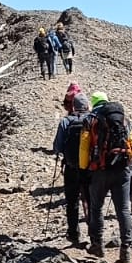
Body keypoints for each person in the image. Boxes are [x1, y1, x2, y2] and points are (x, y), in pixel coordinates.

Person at [79, 90, 132, 263]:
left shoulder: (91, 120)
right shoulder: (123, 119)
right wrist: (128, 160)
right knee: (124, 210)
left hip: (100, 170)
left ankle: (98, 245)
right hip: (122, 169)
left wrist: (84, 167)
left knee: (96, 208)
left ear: (94, 103)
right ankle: (126, 249)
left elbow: (84, 147)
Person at [52, 92, 91, 247]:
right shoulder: (93, 120)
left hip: (71, 167)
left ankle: (74, 233)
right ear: (87, 106)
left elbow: (57, 147)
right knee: (91, 199)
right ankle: (94, 233)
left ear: (74, 106)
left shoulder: (66, 121)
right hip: (89, 168)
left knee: (72, 201)